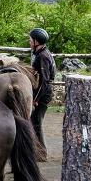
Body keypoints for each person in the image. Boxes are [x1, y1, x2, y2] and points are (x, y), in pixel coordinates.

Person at [28, 27, 56, 160]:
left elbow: (44, 80)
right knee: (35, 121)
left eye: (30, 39)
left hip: (43, 93)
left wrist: (36, 98)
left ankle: (41, 153)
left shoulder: (43, 56)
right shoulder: (41, 53)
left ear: (36, 41)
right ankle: (38, 151)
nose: (29, 41)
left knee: (37, 121)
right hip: (42, 92)